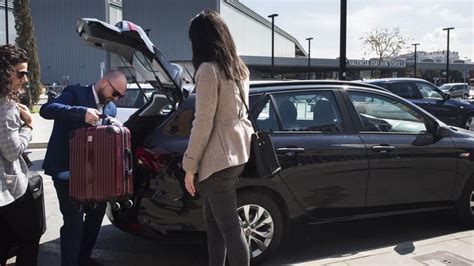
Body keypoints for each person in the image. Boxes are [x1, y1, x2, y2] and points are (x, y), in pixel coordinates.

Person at [183, 10, 254, 266]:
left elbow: (202, 122)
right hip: (237, 152)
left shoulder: (207, 71)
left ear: (200, 39)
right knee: (214, 222)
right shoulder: (238, 67)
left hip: (218, 159)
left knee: (228, 226)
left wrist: (189, 166)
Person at [40, 70, 127, 266]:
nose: (117, 99)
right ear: (104, 82)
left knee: (96, 216)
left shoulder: (110, 108)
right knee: (74, 222)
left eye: (120, 96)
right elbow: (47, 109)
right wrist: (81, 112)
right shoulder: (75, 93)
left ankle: (83, 257)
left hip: (94, 175)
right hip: (67, 171)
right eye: (116, 93)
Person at [0, 44, 40, 266]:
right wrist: (29, 127)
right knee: (30, 235)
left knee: (4, 239)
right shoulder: (5, 107)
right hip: (8, 189)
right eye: (21, 73)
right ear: (5, 72)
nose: (25, 79)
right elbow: (12, 151)